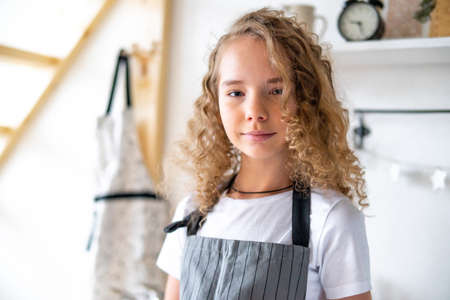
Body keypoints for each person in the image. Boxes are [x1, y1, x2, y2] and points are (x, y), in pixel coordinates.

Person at [155, 7, 372, 300]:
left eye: (276, 90)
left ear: (304, 100)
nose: (255, 112)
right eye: (236, 93)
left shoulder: (330, 219)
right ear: (215, 103)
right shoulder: (193, 211)